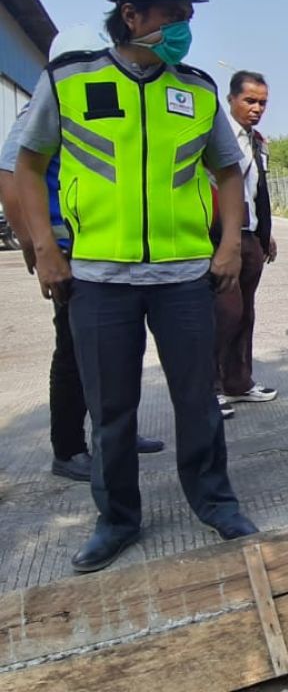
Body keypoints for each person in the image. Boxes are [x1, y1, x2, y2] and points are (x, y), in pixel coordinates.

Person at [15, 0, 257, 573]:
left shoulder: (198, 90)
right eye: (173, 13)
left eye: (188, 14)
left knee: (197, 403)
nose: (185, 26)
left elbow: (227, 171)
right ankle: (117, 518)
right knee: (113, 412)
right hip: (98, 280)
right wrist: (43, 248)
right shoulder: (71, 80)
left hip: (183, 279)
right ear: (131, 14)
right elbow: (28, 162)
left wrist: (229, 242)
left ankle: (214, 501)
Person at [0, 25, 164, 482]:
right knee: (73, 352)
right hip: (69, 252)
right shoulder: (40, 108)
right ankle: (68, 448)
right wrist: (37, 247)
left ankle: (116, 434)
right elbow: (11, 178)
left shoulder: (94, 106)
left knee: (119, 349)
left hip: (104, 248)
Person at [213, 71, 277, 417]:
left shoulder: (257, 140)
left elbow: (256, 189)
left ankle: (239, 382)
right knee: (225, 312)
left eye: (262, 102)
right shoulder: (217, 136)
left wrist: (266, 234)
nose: (256, 108)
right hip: (224, 235)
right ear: (231, 99)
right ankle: (210, 387)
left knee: (245, 312)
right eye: (249, 101)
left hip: (251, 234)